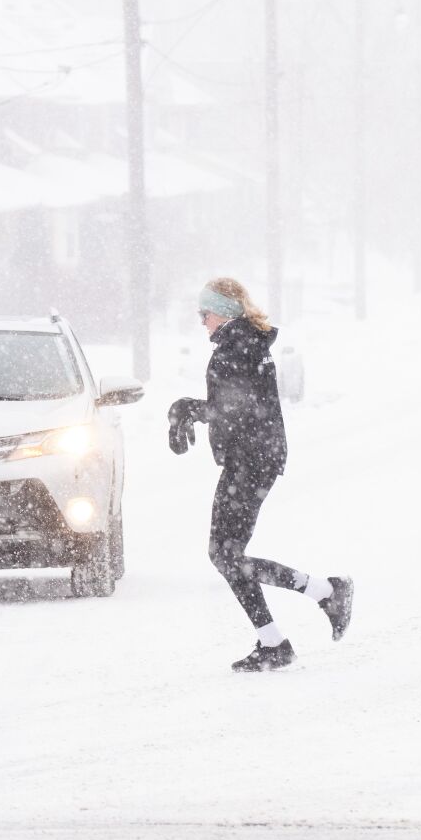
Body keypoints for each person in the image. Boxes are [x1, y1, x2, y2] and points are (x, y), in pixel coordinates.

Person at [169, 278, 352, 672]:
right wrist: (193, 411)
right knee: (227, 555)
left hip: (250, 460)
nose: (202, 321)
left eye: (205, 313)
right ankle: (283, 632)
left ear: (222, 311)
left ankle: (321, 596)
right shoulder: (245, 340)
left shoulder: (237, 345)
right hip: (254, 457)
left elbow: (232, 408)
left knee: (225, 554)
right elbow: (235, 405)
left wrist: (187, 409)